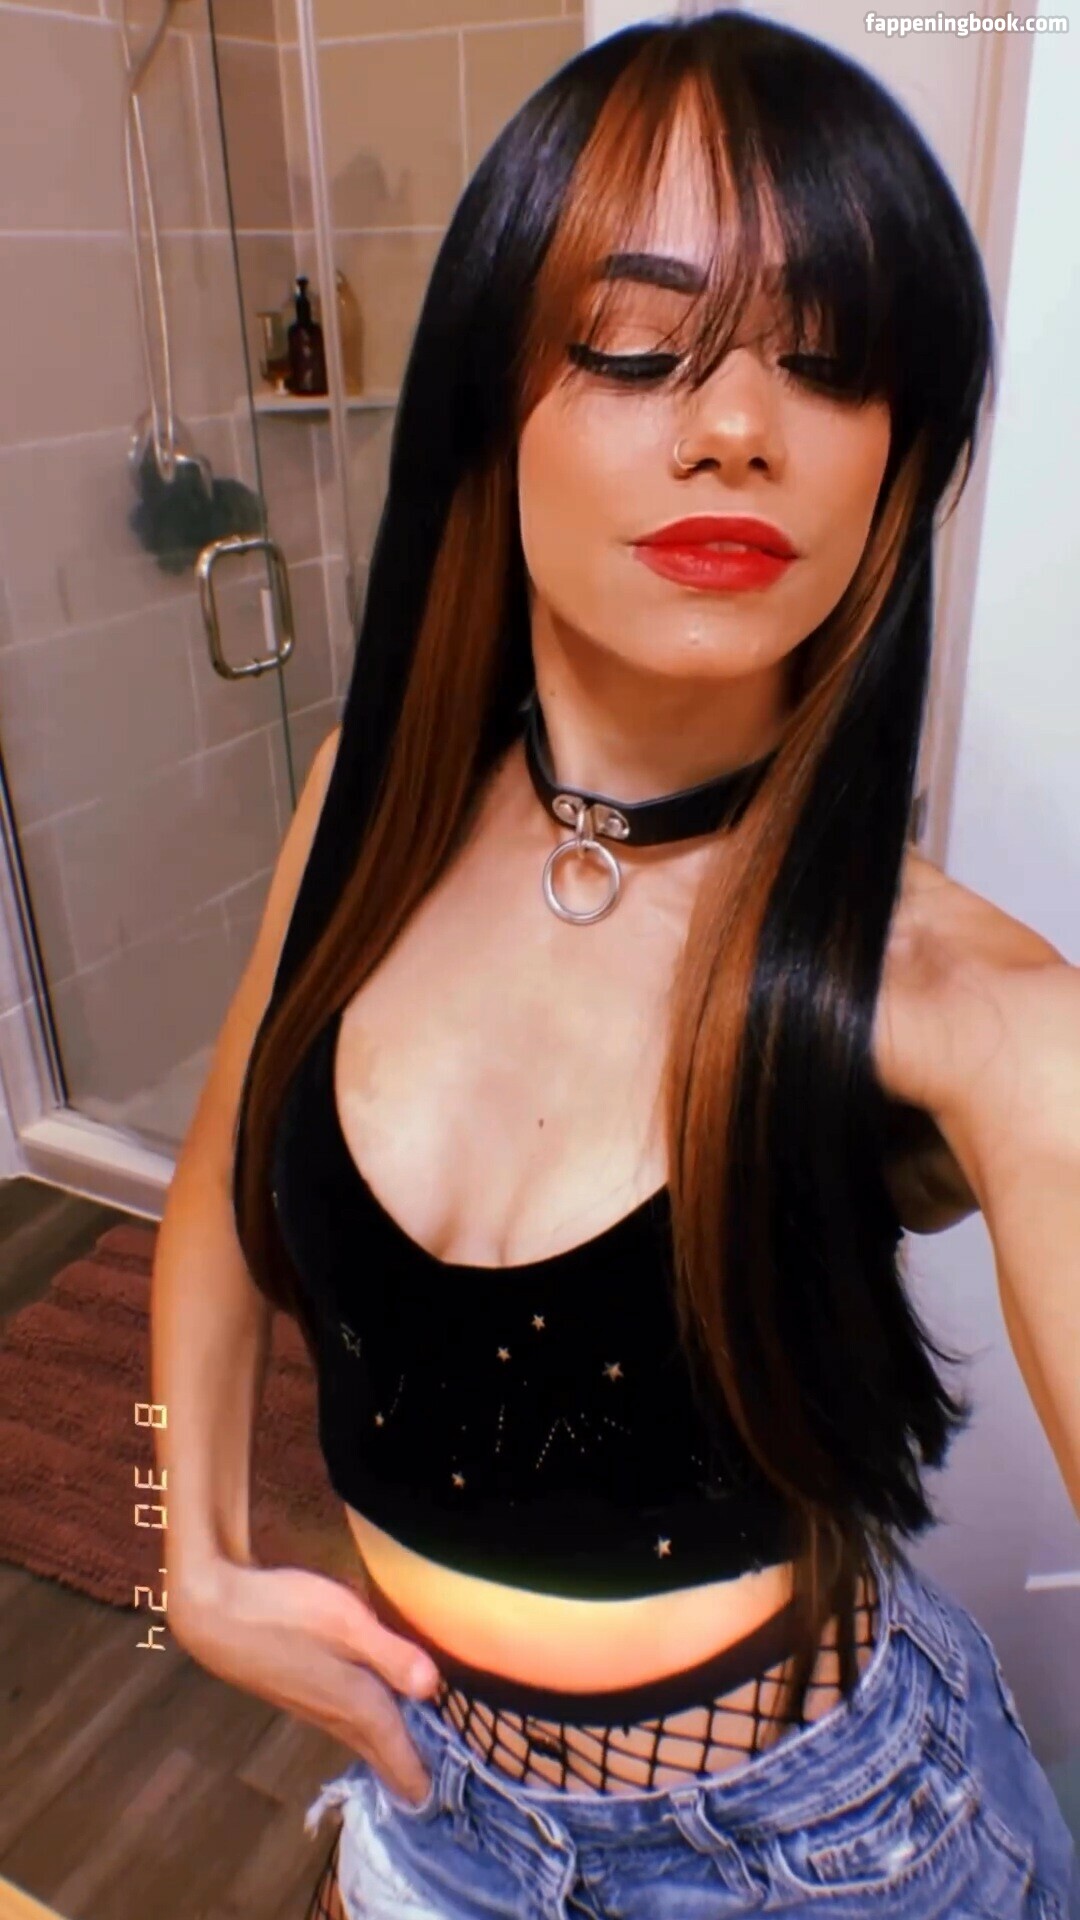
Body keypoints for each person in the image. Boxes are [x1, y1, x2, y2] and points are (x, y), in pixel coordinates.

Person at [151, 10, 1080, 1918]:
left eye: (829, 362)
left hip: (833, 1862)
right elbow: (215, 1203)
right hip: (432, 1815)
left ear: (896, 457)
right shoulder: (357, 808)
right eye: (641, 347)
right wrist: (191, 1556)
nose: (737, 425)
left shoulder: (971, 1010)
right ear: (489, 403)